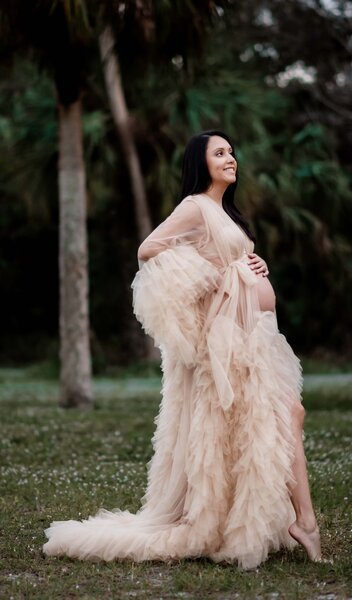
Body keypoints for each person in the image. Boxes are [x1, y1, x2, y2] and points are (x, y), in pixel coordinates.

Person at [43, 130, 321, 569]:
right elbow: (149, 248)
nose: (231, 158)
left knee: (278, 419)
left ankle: (290, 518)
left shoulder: (225, 213)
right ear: (201, 162)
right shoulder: (194, 206)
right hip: (230, 337)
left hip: (257, 333)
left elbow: (235, 261)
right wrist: (213, 273)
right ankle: (304, 521)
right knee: (282, 416)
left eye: (232, 151)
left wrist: (256, 262)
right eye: (220, 153)